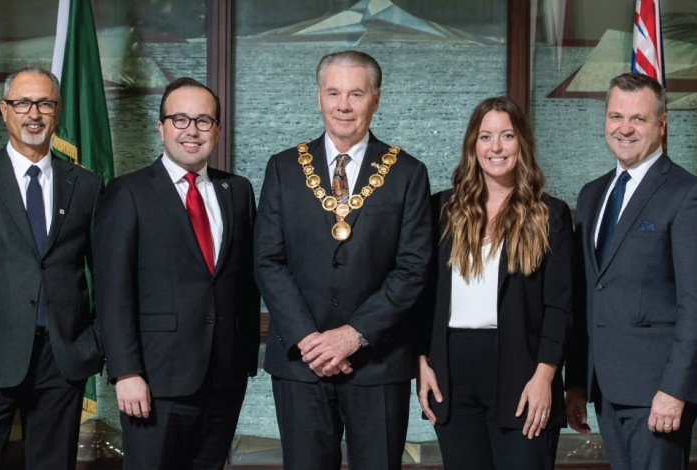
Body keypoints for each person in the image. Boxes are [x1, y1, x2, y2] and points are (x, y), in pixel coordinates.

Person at [255, 50, 432, 470]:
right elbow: (267, 261)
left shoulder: (408, 173)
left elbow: (412, 269)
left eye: (356, 93)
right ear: (319, 97)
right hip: (301, 361)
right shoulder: (283, 168)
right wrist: (308, 339)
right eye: (333, 93)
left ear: (376, 99)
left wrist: (354, 335)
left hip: (378, 361)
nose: (343, 105)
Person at [0, 67, 103, 469]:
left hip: (62, 360)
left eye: (45, 103)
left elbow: (108, 275)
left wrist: (94, 342)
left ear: (57, 111)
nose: (34, 114)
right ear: (4, 110)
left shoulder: (86, 185)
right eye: (23, 103)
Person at [92, 77, 260, 470]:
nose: (192, 130)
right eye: (180, 119)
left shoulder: (237, 191)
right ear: (161, 126)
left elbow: (246, 284)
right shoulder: (127, 192)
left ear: (217, 129)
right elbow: (113, 291)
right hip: (155, 380)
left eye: (203, 121)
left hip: (224, 377)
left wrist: (245, 360)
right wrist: (126, 372)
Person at [563, 72, 697, 470]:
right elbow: (587, 294)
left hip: (658, 391)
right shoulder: (592, 195)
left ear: (662, 124)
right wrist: (577, 381)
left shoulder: (690, 195)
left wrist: (676, 388)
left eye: (638, 119)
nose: (625, 128)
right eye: (616, 116)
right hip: (606, 387)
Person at [415, 97, 573, 470]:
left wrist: (545, 377)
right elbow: (420, 295)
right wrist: (420, 361)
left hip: (523, 373)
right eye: (486, 137)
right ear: (473, 144)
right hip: (451, 376)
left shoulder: (550, 214)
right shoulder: (442, 210)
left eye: (507, 136)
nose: (496, 147)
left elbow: (560, 307)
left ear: (523, 143)